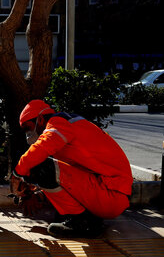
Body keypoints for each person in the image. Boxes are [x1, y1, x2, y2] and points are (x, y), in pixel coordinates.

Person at [10, 99, 132, 237]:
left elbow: (41, 148)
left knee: (39, 166)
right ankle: (89, 220)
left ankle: (80, 222)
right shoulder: (70, 128)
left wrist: (17, 174)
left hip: (111, 193)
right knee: (46, 167)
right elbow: (71, 177)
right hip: (111, 193)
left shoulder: (59, 122)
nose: (28, 134)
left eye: (28, 127)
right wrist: (39, 194)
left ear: (41, 119)